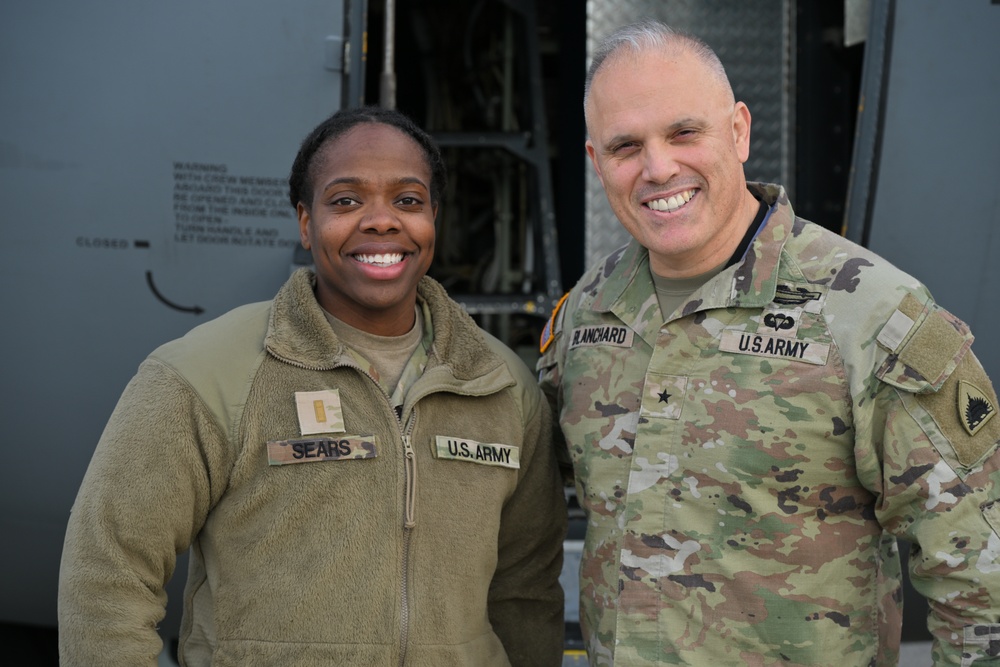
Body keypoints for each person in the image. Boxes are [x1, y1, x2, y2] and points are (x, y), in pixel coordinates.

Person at [537, 19, 1000, 666]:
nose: (658, 167)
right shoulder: (588, 314)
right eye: (625, 146)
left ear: (739, 131)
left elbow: (981, 583)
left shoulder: (870, 315)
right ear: (596, 162)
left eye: (684, 132)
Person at [59, 106, 567, 666]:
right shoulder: (204, 374)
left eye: (408, 200)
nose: (381, 221)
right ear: (305, 221)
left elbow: (526, 593)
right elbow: (108, 574)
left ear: (433, 219)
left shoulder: (500, 386)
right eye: (346, 200)